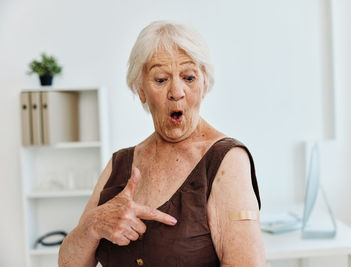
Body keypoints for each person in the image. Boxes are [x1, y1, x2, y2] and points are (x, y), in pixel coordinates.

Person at [58, 20, 266, 267]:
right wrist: (94, 224)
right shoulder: (120, 163)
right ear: (141, 90)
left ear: (204, 85)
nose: (176, 91)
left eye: (189, 77)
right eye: (160, 79)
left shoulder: (227, 161)